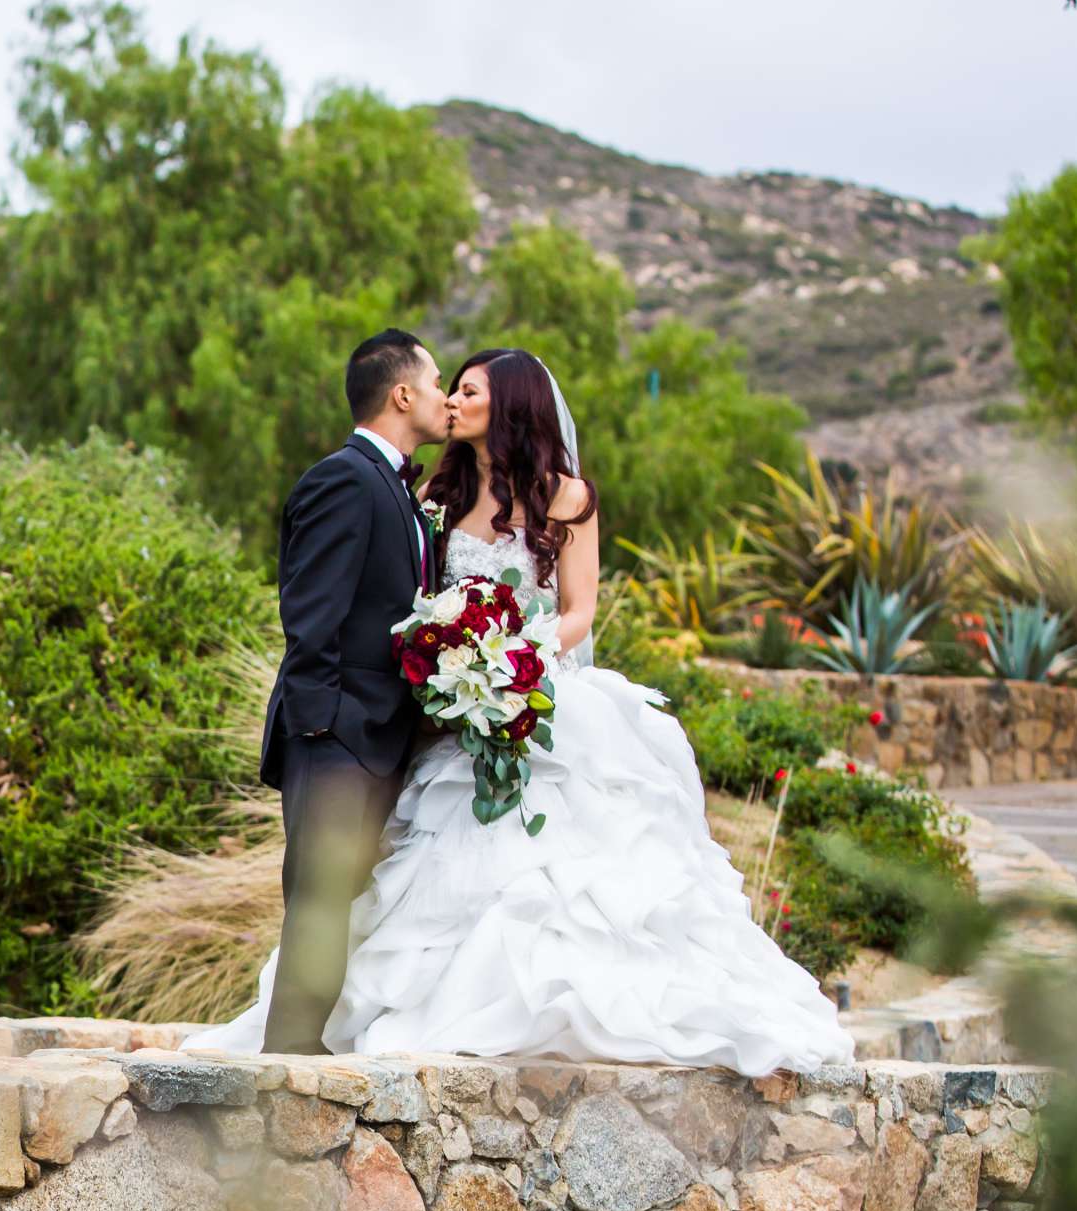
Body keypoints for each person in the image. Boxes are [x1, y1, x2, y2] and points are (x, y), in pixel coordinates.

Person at [191, 348, 852, 1075]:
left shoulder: (565, 496)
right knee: (397, 874)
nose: (451, 401)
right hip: (446, 717)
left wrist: (513, 659)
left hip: (536, 693)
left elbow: (580, 611)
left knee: (555, 879)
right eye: (448, 387)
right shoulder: (435, 499)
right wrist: (455, 668)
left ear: (505, 405)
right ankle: (331, 1028)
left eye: (466, 391)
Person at [243, 329, 449, 1057]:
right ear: (402, 394)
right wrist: (320, 730)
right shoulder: (344, 478)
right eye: (436, 384)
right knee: (319, 899)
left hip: (377, 737)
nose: (446, 398)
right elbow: (311, 616)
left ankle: (303, 1053)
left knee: (341, 899)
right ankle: (287, 1061)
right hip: (337, 736)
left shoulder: (396, 485)